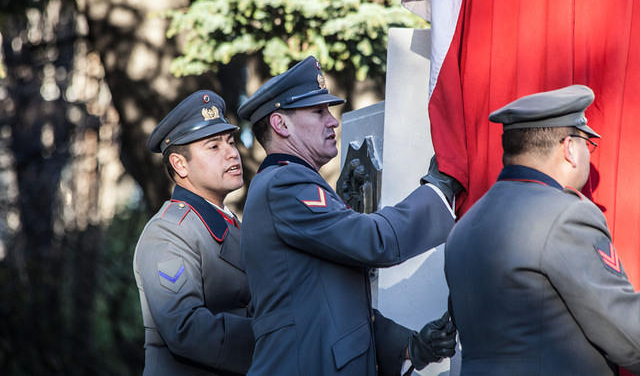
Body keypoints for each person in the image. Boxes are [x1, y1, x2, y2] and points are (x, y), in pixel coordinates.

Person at [237, 56, 461, 376]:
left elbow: (331, 299)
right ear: (280, 124)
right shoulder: (285, 184)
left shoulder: (291, 182)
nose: (333, 121)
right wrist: (438, 191)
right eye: (318, 112)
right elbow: (375, 241)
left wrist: (409, 347)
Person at [445, 84, 640, 375]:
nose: (588, 154)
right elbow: (629, 337)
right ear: (570, 148)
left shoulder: (464, 226)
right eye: (588, 145)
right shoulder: (567, 215)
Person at [133, 90, 253, 376]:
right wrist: (277, 336)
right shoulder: (168, 232)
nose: (232, 153)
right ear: (180, 164)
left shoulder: (228, 223)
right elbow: (185, 328)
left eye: (231, 141)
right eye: (213, 147)